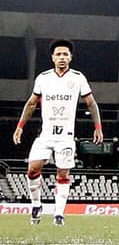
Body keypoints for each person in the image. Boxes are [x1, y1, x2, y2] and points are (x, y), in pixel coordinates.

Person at [11, 39, 102, 226]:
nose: (62, 57)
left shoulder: (77, 78)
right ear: (52, 57)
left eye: (65, 54)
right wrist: (20, 126)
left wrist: (98, 127)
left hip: (66, 137)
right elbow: (31, 103)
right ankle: (36, 205)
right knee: (32, 169)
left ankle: (58, 215)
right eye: (58, 54)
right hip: (45, 135)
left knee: (62, 174)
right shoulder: (43, 78)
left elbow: (91, 103)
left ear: (71, 57)